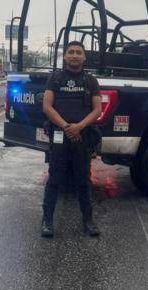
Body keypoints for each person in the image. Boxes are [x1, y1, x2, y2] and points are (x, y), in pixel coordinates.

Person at [41, 40, 102, 238]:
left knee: (83, 180)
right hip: (61, 134)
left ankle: (88, 222)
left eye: (78, 52)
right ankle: (47, 221)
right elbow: (47, 106)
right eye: (71, 52)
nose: (75, 55)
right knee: (55, 178)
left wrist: (79, 127)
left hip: (82, 136)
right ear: (65, 56)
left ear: (84, 57)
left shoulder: (91, 81)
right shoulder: (55, 79)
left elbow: (97, 110)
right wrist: (66, 126)